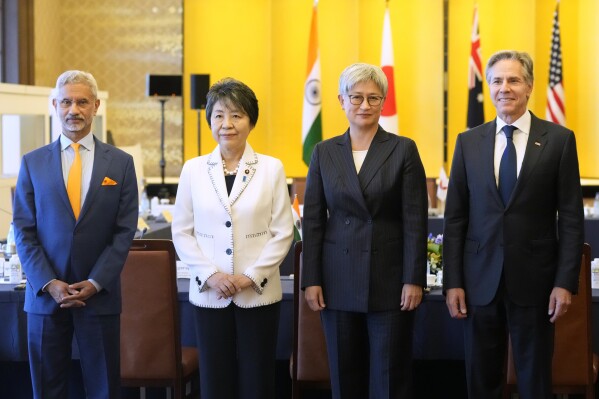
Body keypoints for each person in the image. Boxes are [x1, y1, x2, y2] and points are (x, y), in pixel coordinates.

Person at [443, 50, 584, 399]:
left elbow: (569, 219)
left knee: (535, 379)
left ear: (530, 86)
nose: (505, 87)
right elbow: (456, 217)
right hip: (479, 282)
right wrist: (453, 282)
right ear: (489, 87)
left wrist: (564, 283)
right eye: (497, 80)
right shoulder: (467, 142)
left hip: (536, 284)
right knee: (482, 379)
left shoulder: (560, 140)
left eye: (514, 80)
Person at [302, 63, 428, 399]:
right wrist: (311, 278)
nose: (365, 105)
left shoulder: (403, 149)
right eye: (356, 97)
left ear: (384, 102)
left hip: (389, 280)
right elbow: (313, 220)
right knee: (345, 376)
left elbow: (415, 219)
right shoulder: (324, 151)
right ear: (341, 100)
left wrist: (414, 278)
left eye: (374, 98)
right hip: (337, 278)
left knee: (390, 376)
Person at [13, 70, 139, 399]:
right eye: (66, 101)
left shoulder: (121, 164)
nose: (74, 110)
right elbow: (23, 231)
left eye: (82, 102)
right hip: (44, 297)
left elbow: (124, 232)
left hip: (99, 297)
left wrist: (96, 282)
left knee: (103, 389)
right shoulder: (32, 163)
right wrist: (48, 282)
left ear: (96, 106)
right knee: (47, 389)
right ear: (55, 104)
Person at [171, 78, 293, 399]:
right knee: (215, 382)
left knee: (258, 380)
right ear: (210, 120)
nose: (227, 124)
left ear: (251, 121)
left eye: (237, 115)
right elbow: (181, 231)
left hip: (258, 292)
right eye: (219, 115)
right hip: (210, 293)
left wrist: (249, 277)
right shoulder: (193, 169)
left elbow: (283, 232)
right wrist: (211, 275)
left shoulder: (271, 168)